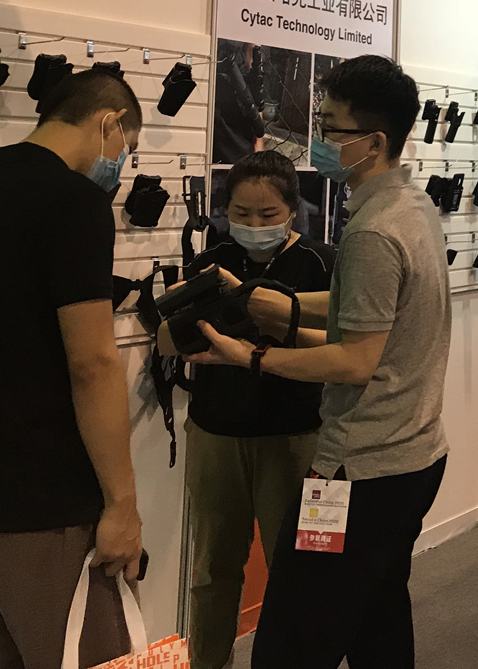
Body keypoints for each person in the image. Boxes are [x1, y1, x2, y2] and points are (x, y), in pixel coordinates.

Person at [186, 54, 448, 669]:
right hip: (412, 456)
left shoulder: (373, 231)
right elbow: (370, 305)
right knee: (378, 621)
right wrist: (275, 305)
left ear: (373, 141)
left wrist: (252, 356)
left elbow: (356, 360)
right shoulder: (410, 207)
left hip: (358, 471)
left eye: (330, 128)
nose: (318, 141)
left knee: (291, 636)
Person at [0, 70, 144, 668]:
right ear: (111, 122)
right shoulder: (74, 205)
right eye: (129, 147)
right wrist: (121, 504)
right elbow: (93, 363)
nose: (122, 164)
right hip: (51, 505)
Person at [157, 151, 335, 669]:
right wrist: (185, 318)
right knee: (211, 570)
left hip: (297, 437)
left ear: (293, 210)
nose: (254, 225)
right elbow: (167, 342)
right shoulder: (211, 262)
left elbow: (345, 349)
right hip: (216, 434)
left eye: (268, 214)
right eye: (241, 213)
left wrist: (268, 326)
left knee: (299, 570)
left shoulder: (322, 263)